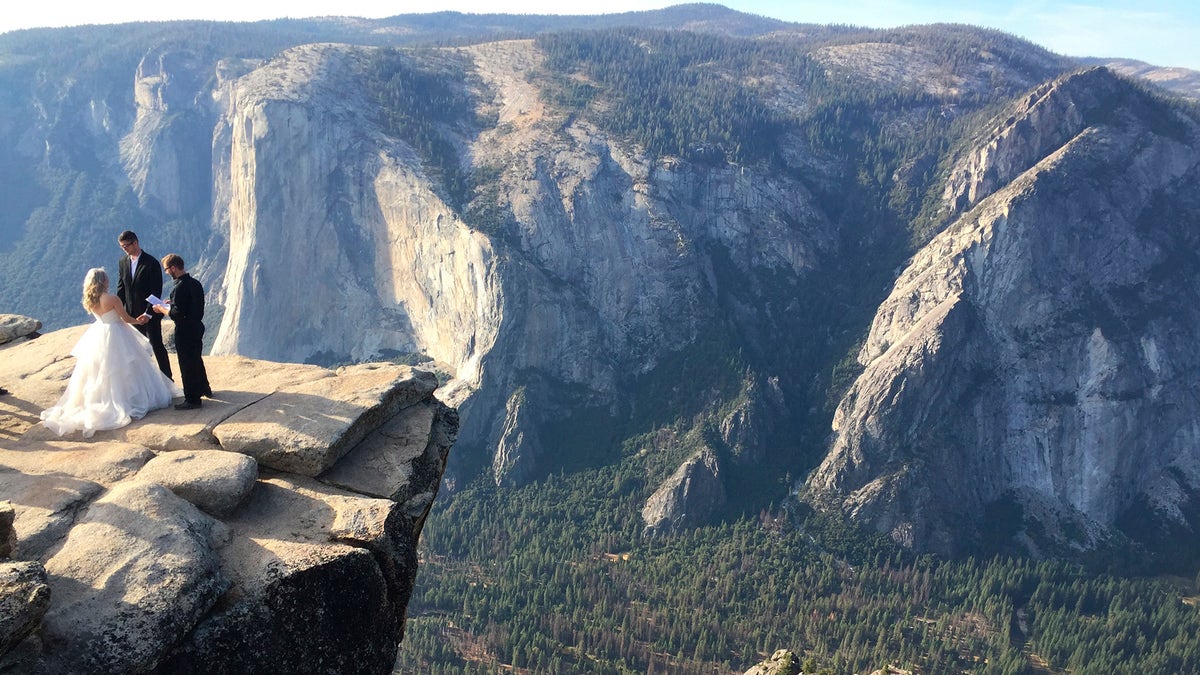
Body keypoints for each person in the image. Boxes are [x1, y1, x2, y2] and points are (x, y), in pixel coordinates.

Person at [40, 268, 180, 438]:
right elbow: (126, 319)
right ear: (103, 281)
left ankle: (98, 400)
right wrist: (140, 319)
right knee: (126, 367)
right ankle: (130, 399)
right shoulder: (112, 298)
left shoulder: (90, 300)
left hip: (99, 333)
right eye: (106, 279)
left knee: (100, 370)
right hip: (116, 333)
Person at [155, 253, 212, 410]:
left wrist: (162, 309)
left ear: (173, 268)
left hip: (185, 330)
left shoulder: (179, 288)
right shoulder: (195, 283)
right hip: (197, 326)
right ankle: (204, 388)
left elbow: (177, 314)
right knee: (196, 359)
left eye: (167, 269)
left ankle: (192, 399)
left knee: (186, 364)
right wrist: (172, 303)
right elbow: (190, 306)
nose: (166, 272)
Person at [117, 230, 172, 379]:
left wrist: (148, 313)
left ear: (135, 242)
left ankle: (167, 379)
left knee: (157, 346)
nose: (124, 249)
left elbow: (156, 291)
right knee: (136, 349)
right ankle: (143, 381)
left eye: (126, 246)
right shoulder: (123, 262)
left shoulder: (151, 263)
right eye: (122, 247)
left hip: (150, 315)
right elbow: (121, 288)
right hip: (131, 315)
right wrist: (119, 309)